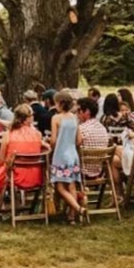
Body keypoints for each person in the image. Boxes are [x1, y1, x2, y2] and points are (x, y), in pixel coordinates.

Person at [0, 104, 47, 202]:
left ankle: (3, 206)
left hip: (14, 177)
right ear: (28, 118)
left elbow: (0, 160)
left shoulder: (8, 135)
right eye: (32, 115)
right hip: (36, 177)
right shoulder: (38, 135)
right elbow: (47, 149)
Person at [49, 91, 85, 223]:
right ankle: (72, 217)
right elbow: (79, 140)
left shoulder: (56, 118)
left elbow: (53, 140)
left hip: (61, 155)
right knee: (72, 185)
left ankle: (78, 208)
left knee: (60, 187)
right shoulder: (75, 118)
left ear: (60, 103)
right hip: (73, 155)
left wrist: (51, 144)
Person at [75, 95, 115, 187]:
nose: (77, 114)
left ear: (87, 111)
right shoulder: (102, 128)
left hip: (81, 173)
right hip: (98, 172)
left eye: (79, 110)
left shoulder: (81, 129)